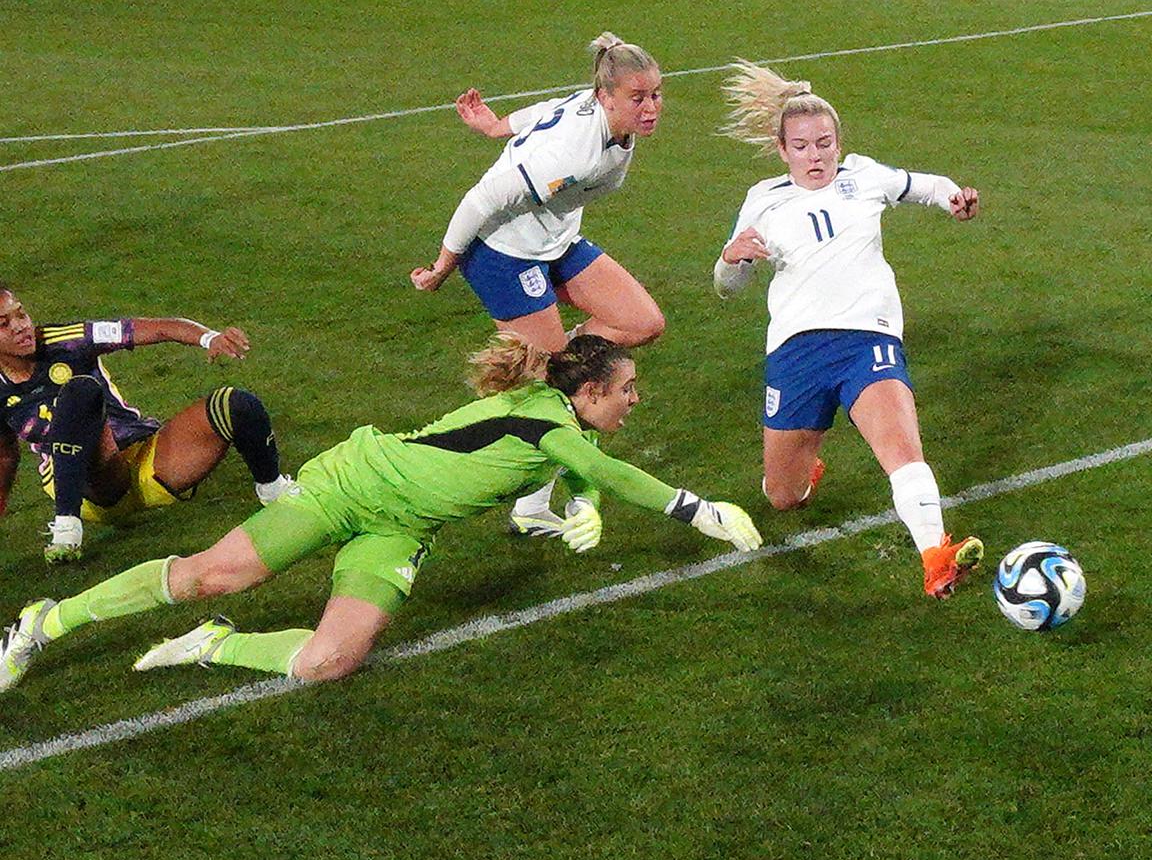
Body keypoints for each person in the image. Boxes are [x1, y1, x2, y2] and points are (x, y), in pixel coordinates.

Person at [0, 334, 762, 691]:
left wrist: (586, 501)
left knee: (327, 663)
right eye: (628, 388)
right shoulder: (551, 421)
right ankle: (45, 621)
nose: (635, 400)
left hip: (401, 527)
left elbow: (579, 462)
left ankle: (213, 648)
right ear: (592, 392)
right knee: (210, 575)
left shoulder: (551, 410)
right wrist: (698, 510)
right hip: (349, 485)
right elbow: (596, 462)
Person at [711, 63, 983, 600]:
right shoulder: (763, 200)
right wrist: (731, 259)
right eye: (803, 146)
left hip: (868, 338)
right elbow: (727, 287)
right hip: (796, 353)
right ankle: (805, 473)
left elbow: (925, 186)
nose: (815, 157)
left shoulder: (864, 177)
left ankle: (936, 555)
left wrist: (954, 198)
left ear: (839, 143)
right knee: (782, 497)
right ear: (782, 148)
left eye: (824, 144)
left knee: (903, 453)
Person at [411, 33, 666, 534]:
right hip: (501, 253)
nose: (651, 106)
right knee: (560, 391)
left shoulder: (604, 120)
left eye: (656, 94)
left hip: (556, 241)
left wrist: (497, 126)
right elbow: (482, 200)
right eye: (638, 98)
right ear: (607, 98)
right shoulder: (570, 156)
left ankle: (545, 362)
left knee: (642, 322)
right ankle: (528, 503)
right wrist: (443, 265)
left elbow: (549, 108)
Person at [0, 283, 295, 565]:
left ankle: (274, 491)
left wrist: (210, 338)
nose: (21, 326)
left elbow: (159, 327)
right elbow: (5, 453)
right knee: (81, 393)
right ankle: (66, 526)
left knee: (236, 404)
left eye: (21, 314)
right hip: (86, 487)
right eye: (4, 324)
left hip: (142, 459)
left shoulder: (67, 339)